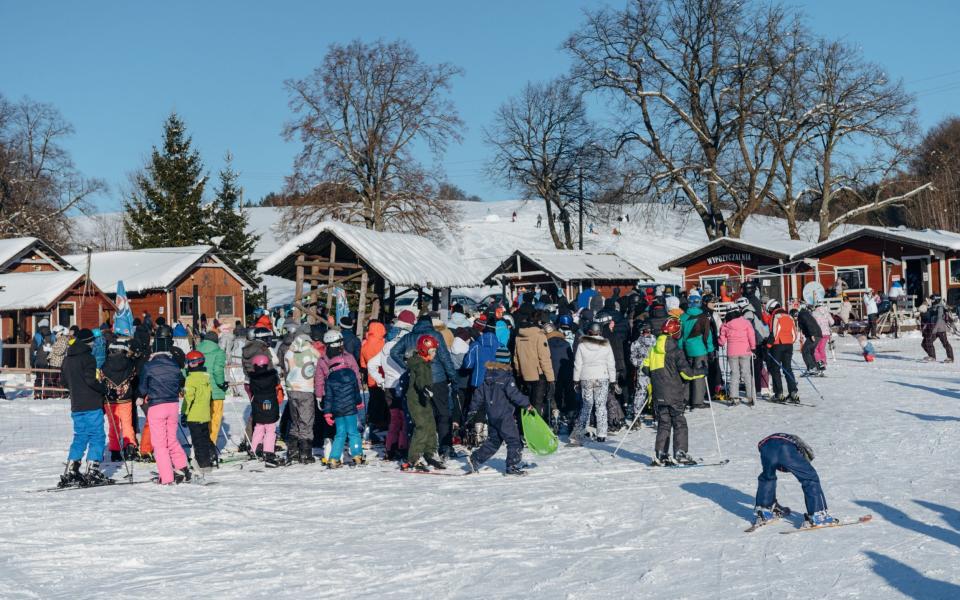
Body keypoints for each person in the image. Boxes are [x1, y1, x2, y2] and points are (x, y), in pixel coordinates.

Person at [390, 312, 460, 458]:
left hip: (417, 380)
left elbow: (394, 351)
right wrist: (453, 378)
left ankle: (417, 448)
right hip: (437, 379)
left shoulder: (409, 336)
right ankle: (445, 446)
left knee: (420, 415)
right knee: (442, 413)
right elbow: (445, 358)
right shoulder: (435, 335)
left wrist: (407, 366)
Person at [644, 318, 705, 466]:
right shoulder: (676, 352)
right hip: (674, 394)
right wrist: (701, 371)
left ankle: (661, 454)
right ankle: (680, 453)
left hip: (659, 394)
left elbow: (645, 368)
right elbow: (687, 374)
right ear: (676, 333)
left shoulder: (653, 349)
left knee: (664, 423)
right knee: (679, 423)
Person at [466, 347, 535, 476]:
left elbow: (478, 395)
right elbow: (514, 394)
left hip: (492, 415)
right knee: (514, 440)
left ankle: (475, 458)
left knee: (494, 441)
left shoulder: (488, 376)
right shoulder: (506, 378)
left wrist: (472, 409)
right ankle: (512, 466)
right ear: (507, 361)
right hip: (504, 416)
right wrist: (527, 404)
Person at [753, 433, 838, 528]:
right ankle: (818, 516)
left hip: (765, 446)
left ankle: (766, 510)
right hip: (784, 446)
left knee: (768, 477)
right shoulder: (802, 450)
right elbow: (796, 460)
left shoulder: (792, 440)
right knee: (810, 478)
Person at [59, 328, 109, 487]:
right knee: (97, 435)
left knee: (80, 435)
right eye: (93, 341)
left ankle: (71, 469)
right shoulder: (88, 358)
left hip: (77, 404)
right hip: (92, 402)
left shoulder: (67, 358)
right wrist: (104, 388)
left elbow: (64, 382)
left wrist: (76, 388)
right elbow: (91, 381)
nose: (94, 343)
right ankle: (93, 470)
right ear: (88, 342)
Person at [139, 331, 190, 484]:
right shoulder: (174, 364)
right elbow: (181, 381)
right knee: (172, 439)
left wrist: (141, 396)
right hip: (173, 404)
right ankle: (182, 466)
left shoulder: (149, 366)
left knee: (159, 444)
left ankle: (166, 477)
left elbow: (143, 387)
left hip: (157, 405)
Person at [368, 310, 416, 460]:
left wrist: (380, 380)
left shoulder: (386, 346)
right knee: (405, 419)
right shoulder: (405, 347)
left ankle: (390, 449)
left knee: (394, 420)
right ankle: (402, 448)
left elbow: (371, 364)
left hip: (388, 386)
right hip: (402, 385)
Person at [317, 330, 364, 468]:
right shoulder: (348, 358)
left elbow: (320, 380)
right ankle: (357, 455)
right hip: (350, 402)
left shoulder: (323, 361)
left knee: (339, 433)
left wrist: (320, 398)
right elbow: (356, 377)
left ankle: (334, 457)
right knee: (353, 431)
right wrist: (358, 397)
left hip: (334, 402)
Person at [402, 335, 446, 471]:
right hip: (415, 400)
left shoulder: (425, 363)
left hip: (424, 398)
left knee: (431, 425)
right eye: (432, 351)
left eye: (435, 351)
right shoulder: (419, 364)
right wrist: (425, 388)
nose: (434, 354)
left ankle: (430, 452)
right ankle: (414, 457)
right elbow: (420, 380)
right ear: (423, 350)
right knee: (421, 426)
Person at [569, 321, 617, 445]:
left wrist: (576, 379)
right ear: (600, 331)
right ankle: (601, 434)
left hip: (586, 377)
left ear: (589, 332)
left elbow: (577, 364)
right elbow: (611, 363)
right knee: (601, 406)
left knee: (586, 405)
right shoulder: (606, 344)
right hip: (602, 376)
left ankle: (580, 432)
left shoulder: (582, 345)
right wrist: (613, 380)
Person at [284, 332, 320, 463]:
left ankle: (292, 450)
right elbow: (318, 367)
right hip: (306, 389)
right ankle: (305, 453)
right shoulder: (312, 352)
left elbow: (286, 369)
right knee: (306, 421)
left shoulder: (289, 352)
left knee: (295, 420)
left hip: (291, 389)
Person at [101, 339, 139, 462]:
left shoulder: (105, 363)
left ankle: (115, 452)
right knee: (127, 424)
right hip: (125, 398)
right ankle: (130, 448)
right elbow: (133, 376)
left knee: (113, 426)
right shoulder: (130, 363)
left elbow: (101, 378)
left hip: (110, 399)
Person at [512, 315, 556, 420]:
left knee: (526, 403)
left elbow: (515, 357)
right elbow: (544, 358)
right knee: (537, 403)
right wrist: (551, 379)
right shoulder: (539, 336)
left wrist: (519, 372)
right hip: (538, 374)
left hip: (524, 374)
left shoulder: (519, 336)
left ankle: (525, 426)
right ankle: (537, 427)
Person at [182, 350, 216, 476]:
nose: (188, 365)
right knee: (204, 438)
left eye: (190, 362)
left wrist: (184, 414)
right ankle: (208, 460)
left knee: (197, 441)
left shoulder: (191, 379)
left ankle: (203, 464)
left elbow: (188, 399)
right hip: (205, 414)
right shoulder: (206, 377)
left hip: (194, 415)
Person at [679, 292, 714, 409]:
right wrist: (710, 349)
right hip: (700, 350)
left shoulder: (682, 317)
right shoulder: (704, 317)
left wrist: (680, 347)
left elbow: (680, 335)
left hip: (687, 349)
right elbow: (707, 335)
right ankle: (698, 401)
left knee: (688, 374)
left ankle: (686, 398)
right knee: (699, 374)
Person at [248, 354, 282, 467]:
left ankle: (254, 448)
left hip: (258, 404)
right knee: (270, 429)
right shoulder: (273, 376)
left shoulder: (253, 378)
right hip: (270, 404)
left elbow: (251, 389)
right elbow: (277, 385)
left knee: (259, 427)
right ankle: (268, 450)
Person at [195, 331, 227, 451]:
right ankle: (210, 445)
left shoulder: (197, 351)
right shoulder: (219, 352)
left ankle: (201, 445)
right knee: (215, 418)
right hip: (215, 390)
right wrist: (222, 384)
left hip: (200, 390)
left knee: (202, 419)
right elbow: (217, 371)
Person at [718, 308, 757, 405]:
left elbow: (722, 341)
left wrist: (720, 342)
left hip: (732, 352)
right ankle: (750, 396)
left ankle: (734, 397)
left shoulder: (726, 325)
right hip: (745, 351)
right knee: (746, 373)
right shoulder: (746, 323)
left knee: (734, 374)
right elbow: (751, 335)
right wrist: (753, 347)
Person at [765, 299, 799, 404]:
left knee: (775, 369)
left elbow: (774, 332)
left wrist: (768, 345)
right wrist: (790, 342)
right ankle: (793, 392)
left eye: (769, 310)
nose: (770, 312)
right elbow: (794, 333)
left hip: (778, 345)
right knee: (788, 369)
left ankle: (779, 393)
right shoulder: (789, 316)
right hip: (789, 345)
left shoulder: (776, 316)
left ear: (772, 308)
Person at [360, 320, 389, 431]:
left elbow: (363, 364)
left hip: (371, 378)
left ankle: (371, 420)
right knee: (384, 401)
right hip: (382, 376)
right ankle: (383, 422)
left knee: (373, 400)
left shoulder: (365, 345)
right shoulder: (383, 344)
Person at [920, 294, 955, 363]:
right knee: (925, 342)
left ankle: (950, 358)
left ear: (936, 300)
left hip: (940, 329)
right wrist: (922, 314)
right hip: (934, 328)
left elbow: (939, 319)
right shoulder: (933, 307)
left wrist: (935, 329)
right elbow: (928, 317)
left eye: (932, 299)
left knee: (945, 343)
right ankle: (932, 356)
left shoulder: (940, 308)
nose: (930, 301)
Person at [796, 305, 822, 376]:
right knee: (810, 352)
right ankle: (816, 368)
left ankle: (812, 368)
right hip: (817, 334)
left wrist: (812, 334)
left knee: (805, 350)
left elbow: (809, 324)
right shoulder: (806, 314)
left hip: (814, 334)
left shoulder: (802, 315)